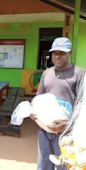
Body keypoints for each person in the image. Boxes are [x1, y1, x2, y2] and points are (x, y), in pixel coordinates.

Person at [30, 37, 85, 170]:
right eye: (55, 53)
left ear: (70, 53)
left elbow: (82, 103)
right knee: (44, 161)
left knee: (63, 163)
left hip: (66, 130)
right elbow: (39, 97)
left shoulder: (79, 73)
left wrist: (68, 123)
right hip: (44, 128)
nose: (57, 56)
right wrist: (33, 111)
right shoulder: (47, 73)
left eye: (62, 53)